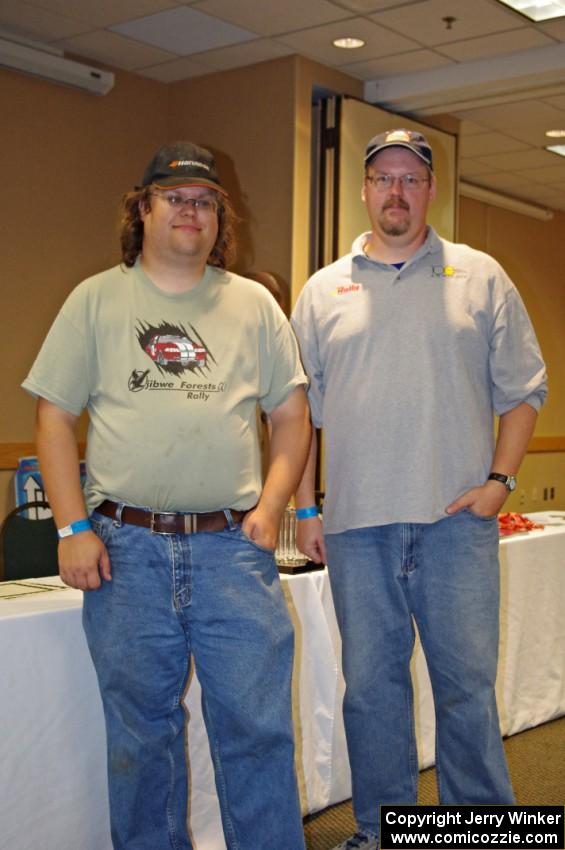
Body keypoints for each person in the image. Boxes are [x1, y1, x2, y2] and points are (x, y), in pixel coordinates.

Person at [23, 141, 311, 850]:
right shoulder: (95, 299)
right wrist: (70, 528)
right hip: (126, 554)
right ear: (143, 208)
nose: (192, 210)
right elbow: (54, 419)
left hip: (231, 552)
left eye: (206, 200)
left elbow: (292, 416)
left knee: (256, 735)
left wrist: (273, 510)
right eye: (175, 197)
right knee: (140, 744)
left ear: (221, 217)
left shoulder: (253, 306)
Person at [291, 128, 547, 850]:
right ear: (364, 190)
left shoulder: (479, 275)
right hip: (355, 528)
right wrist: (306, 506)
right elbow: (294, 411)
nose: (394, 191)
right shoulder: (321, 290)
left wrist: (499, 482)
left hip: (453, 523)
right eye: (381, 178)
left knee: (465, 690)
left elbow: (524, 389)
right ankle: (382, 831)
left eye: (409, 177)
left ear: (429, 189)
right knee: (371, 692)